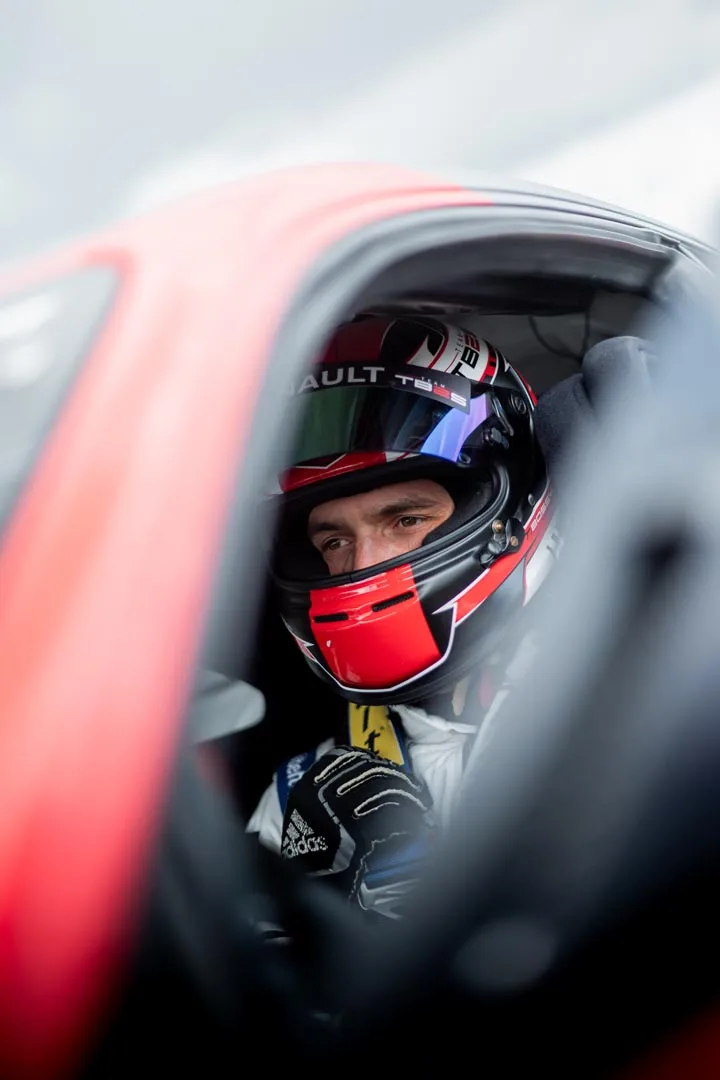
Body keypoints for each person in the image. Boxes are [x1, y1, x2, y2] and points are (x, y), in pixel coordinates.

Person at [246, 312, 562, 919]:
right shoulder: (307, 800)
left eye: (406, 520)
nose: (362, 565)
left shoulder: (635, 711)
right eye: (333, 540)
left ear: (508, 506)